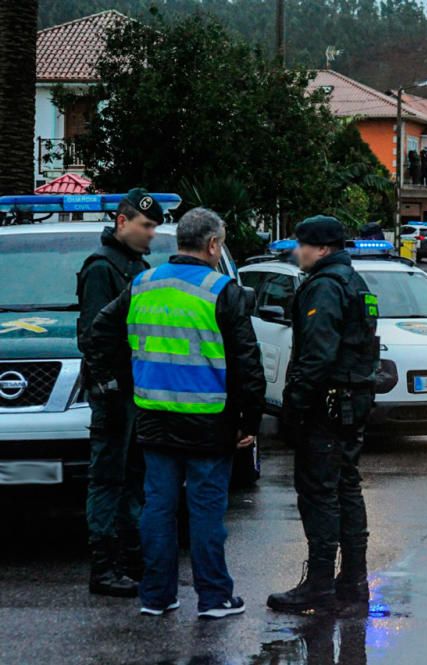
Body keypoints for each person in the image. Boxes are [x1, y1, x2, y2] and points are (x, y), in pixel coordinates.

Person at [85, 208, 265, 619]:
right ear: (214, 245)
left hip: (152, 417)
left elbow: (99, 331)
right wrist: (248, 423)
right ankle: (215, 597)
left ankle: (157, 596)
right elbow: (248, 365)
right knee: (204, 513)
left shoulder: (143, 283)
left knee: (157, 509)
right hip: (208, 422)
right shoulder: (222, 290)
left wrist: (123, 384)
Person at [267, 215, 379, 617]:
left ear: (323, 248)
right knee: (346, 489)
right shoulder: (353, 282)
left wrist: (292, 408)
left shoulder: (325, 287)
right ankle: (352, 584)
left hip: (327, 405)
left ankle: (319, 585)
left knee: (320, 493)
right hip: (350, 400)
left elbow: (316, 356)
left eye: (303, 244)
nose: (298, 251)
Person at [77, 188, 162, 597]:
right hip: (114, 391)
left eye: (154, 227)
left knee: (133, 478)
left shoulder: (134, 265)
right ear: (122, 222)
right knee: (108, 479)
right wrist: (107, 387)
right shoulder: (101, 267)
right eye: (145, 225)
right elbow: (94, 335)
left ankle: (130, 561)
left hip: (135, 387)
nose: (151, 233)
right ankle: (105, 566)